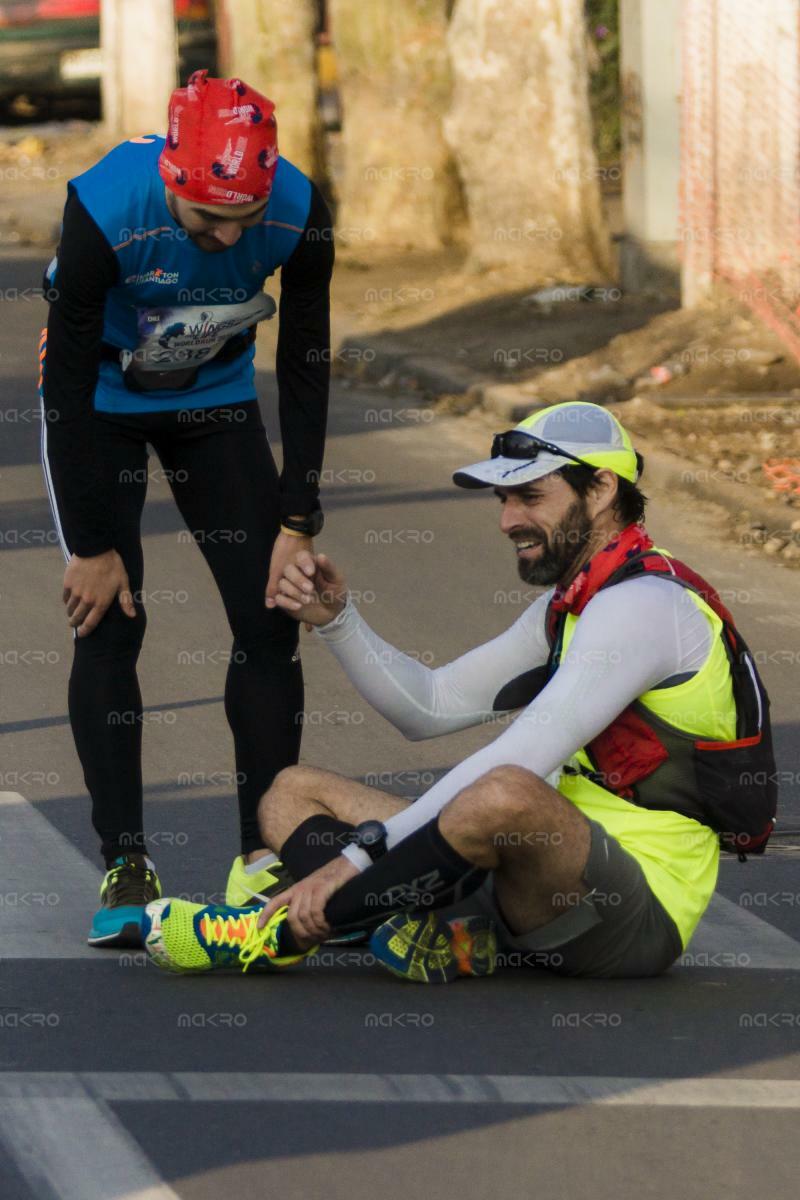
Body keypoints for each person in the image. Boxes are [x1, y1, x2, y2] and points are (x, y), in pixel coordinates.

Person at [140, 402, 777, 981]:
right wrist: (339, 622)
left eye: (529, 496)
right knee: (290, 792)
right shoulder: (575, 603)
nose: (507, 521)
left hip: (628, 916)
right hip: (525, 876)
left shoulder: (646, 606)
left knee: (504, 790)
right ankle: (434, 926)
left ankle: (274, 932)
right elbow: (431, 707)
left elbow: (521, 759)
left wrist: (353, 863)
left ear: (604, 487)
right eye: (503, 500)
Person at [39, 69, 334, 947]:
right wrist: (93, 544)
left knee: (270, 616)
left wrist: (298, 518)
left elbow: (307, 358)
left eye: (242, 222)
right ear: (170, 176)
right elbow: (60, 381)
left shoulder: (300, 208)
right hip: (101, 404)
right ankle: (125, 858)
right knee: (110, 621)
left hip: (214, 401)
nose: (224, 238)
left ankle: (263, 846)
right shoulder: (104, 203)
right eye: (206, 220)